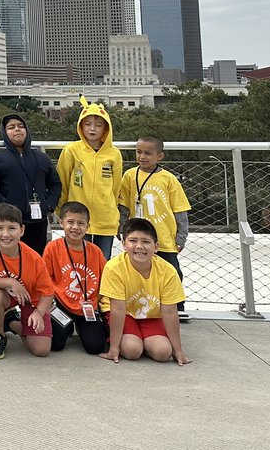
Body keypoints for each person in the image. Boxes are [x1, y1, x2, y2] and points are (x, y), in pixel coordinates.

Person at [117, 136, 191, 320]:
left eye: (148, 153)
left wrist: (181, 237)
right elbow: (124, 206)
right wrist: (122, 229)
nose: (142, 157)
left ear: (160, 156)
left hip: (164, 238)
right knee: (137, 272)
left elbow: (180, 210)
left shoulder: (168, 179)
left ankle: (176, 306)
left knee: (171, 271)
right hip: (137, 237)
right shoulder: (129, 175)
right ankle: (140, 304)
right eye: (138, 152)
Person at [99, 218, 190, 365]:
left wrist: (178, 351)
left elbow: (170, 311)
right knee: (132, 350)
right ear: (124, 245)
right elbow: (118, 308)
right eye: (133, 240)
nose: (139, 246)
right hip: (125, 314)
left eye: (146, 242)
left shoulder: (167, 271)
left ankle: (145, 340)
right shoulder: (114, 268)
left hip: (151, 315)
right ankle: (129, 340)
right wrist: (114, 349)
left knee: (163, 352)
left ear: (156, 247)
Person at [0, 203, 55, 359]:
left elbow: (47, 293)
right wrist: (11, 283)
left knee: (42, 350)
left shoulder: (34, 259)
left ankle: (13, 324)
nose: (6, 234)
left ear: (22, 230)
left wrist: (39, 312)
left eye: (12, 228)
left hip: (30, 299)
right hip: (6, 295)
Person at [57, 97, 122, 259]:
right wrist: (61, 211)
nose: (92, 129)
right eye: (87, 124)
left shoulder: (114, 154)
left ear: (106, 128)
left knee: (101, 261)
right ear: (80, 126)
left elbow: (116, 187)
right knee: (77, 260)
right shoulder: (71, 150)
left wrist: (113, 211)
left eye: (98, 125)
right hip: (76, 218)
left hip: (105, 218)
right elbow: (62, 182)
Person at [0, 113, 61, 255]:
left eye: (21, 126)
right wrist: (3, 205)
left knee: (36, 258)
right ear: (5, 132)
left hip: (38, 221)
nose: (17, 129)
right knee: (10, 259)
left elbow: (55, 184)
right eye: (11, 127)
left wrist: (49, 205)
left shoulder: (41, 157)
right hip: (9, 223)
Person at [42, 201, 108, 354]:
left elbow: (106, 279)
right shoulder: (53, 248)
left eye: (81, 223)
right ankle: (68, 325)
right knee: (56, 344)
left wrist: (97, 300)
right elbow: (45, 279)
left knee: (95, 347)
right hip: (61, 305)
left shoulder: (95, 251)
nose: (75, 227)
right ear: (61, 222)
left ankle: (80, 325)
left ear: (87, 226)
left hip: (87, 307)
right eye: (70, 222)